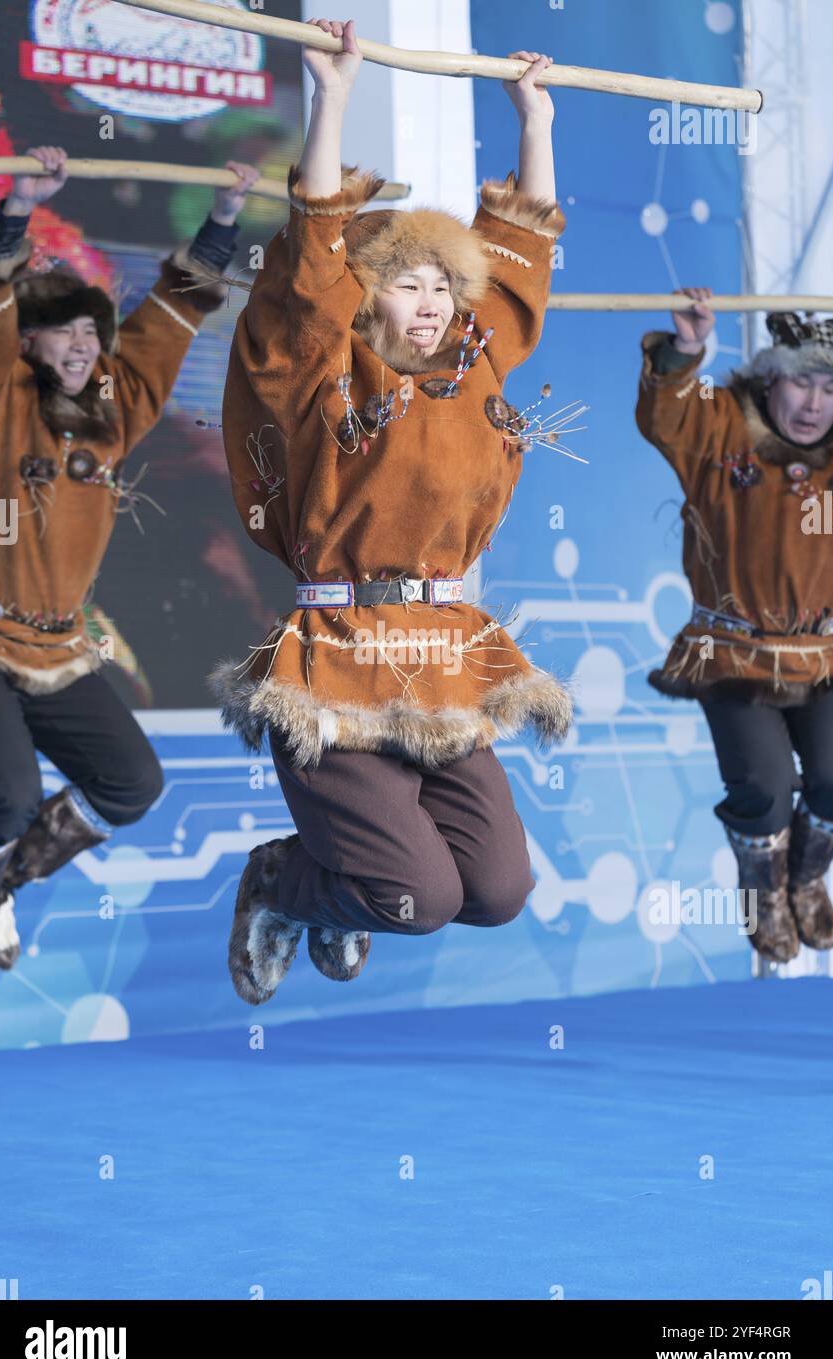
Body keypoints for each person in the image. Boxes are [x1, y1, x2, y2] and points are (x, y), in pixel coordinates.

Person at [211, 17, 572, 1004]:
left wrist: (531, 118)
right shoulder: (324, 363)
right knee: (413, 894)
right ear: (371, 296)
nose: (428, 302)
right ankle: (285, 881)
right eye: (404, 282)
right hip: (337, 646)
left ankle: (336, 883)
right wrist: (331, 96)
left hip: (442, 649)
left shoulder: (476, 364)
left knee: (492, 891)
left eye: (442, 288)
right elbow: (315, 250)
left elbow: (519, 253)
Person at [0, 144, 260, 983]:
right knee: (5, 797)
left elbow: (170, 321)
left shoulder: (114, 409)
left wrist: (225, 217)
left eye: (94, 331)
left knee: (132, 784)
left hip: (59, 649)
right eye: (63, 329)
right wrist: (20, 207)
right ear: (26, 340)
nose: (84, 343)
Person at [636, 287, 833, 964]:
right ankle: (763, 895)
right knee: (766, 788)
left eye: (831, 387)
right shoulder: (719, 428)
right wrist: (688, 348)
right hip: (733, 654)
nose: (814, 404)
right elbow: (667, 410)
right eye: (800, 383)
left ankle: (807, 878)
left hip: (828, 652)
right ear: (767, 379)